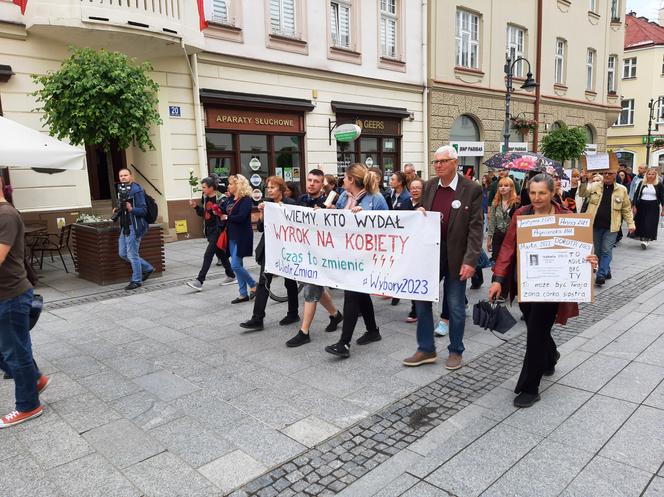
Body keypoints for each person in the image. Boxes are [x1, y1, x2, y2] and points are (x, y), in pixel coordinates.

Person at [489, 173, 598, 408]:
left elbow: (582, 248)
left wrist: (590, 258)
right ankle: (550, 356)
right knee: (533, 323)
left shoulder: (566, 216)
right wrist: (498, 279)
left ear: (552, 193)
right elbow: (507, 248)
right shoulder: (522, 214)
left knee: (536, 332)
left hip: (553, 287)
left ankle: (530, 387)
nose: (537, 197)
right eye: (532, 192)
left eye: (542, 193)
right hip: (527, 283)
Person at [402, 145, 483, 370]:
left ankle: (456, 350)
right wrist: (418, 212)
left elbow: (476, 229)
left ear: (455, 163)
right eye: (435, 162)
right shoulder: (429, 186)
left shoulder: (471, 189)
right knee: (422, 299)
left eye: (443, 161)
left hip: (457, 254)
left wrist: (470, 261)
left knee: (455, 304)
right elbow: (421, 213)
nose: (438, 165)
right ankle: (426, 348)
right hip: (431, 254)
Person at [0, 176, 50, 428]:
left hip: (10, 294)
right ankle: (36, 379)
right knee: (10, 348)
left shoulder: (6, 215)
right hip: (5, 294)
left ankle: (28, 405)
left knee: (14, 351)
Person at [325, 164, 389, 358]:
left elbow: (389, 224)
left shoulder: (375, 199)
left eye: (344, 177)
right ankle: (373, 331)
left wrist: (367, 217)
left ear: (352, 179)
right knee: (360, 294)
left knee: (352, 293)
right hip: (346, 254)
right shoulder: (344, 197)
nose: (342, 180)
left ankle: (344, 343)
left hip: (366, 256)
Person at [287, 170, 343, 347]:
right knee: (316, 287)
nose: (311, 183)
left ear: (322, 185)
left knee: (310, 290)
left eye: (316, 181)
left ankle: (304, 332)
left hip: (322, 255)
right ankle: (335, 315)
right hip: (305, 251)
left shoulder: (328, 202)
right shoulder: (301, 200)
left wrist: (329, 213)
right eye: (309, 180)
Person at [240, 177, 299, 330]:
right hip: (269, 249)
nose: (270, 190)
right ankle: (257, 318)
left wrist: (283, 211)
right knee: (263, 282)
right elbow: (260, 228)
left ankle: (293, 313)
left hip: (286, 249)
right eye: (268, 187)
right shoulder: (266, 203)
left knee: (290, 281)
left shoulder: (291, 203)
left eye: (273, 187)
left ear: (281, 189)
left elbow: (296, 224)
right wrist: (262, 213)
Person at [578, 170, 635, 285]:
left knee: (606, 250)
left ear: (615, 175)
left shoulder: (622, 189)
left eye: (610, 173)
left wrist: (630, 223)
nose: (607, 176)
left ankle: (601, 275)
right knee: (598, 251)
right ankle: (606, 270)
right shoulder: (594, 186)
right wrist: (583, 181)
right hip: (595, 225)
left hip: (612, 226)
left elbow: (626, 209)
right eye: (605, 174)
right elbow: (582, 193)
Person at [186, 177, 235, 291]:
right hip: (209, 229)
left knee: (208, 255)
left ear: (211, 188)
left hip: (217, 229)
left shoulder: (220, 198)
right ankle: (231, 275)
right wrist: (195, 207)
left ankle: (199, 281)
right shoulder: (205, 197)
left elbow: (225, 213)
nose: (202, 189)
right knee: (220, 254)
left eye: (204, 187)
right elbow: (204, 214)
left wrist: (219, 214)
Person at [113, 169, 154, 291]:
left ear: (131, 176)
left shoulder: (137, 190)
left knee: (132, 254)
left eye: (125, 175)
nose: (123, 177)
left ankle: (136, 280)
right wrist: (118, 209)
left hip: (134, 226)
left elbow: (143, 210)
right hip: (125, 225)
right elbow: (123, 207)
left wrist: (131, 209)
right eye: (121, 176)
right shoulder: (121, 189)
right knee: (123, 253)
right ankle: (147, 268)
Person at [224, 175, 257, 303]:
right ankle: (243, 294)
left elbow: (241, 217)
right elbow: (224, 211)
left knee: (235, 265)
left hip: (242, 236)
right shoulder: (231, 199)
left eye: (231, 184)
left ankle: (254, 285)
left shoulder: (246, 200)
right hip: (231, 235)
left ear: (238, 185)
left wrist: (226, 217)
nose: (228, 186)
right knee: (239, 265)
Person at [487, 176, 519, 265]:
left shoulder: (516, 203)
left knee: (509, 263)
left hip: (511, 237)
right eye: (500, 186)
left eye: (506, 185)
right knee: (497, 263)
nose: (503, 188)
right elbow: (492, 221)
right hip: (498, 236)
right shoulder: (495, 203)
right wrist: (489, 238)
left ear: (511, 187)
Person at [406, 178, 425, 323]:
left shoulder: (427, 203)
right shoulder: (405, 203)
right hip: (407, 247)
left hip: (423, 248)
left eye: (418, 188)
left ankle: (417, 309)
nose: (415, 190)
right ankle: (416, 308)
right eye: (412, 188)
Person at [632, 168, 664, 249]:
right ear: (646, 175)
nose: (651, 176)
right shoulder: (642, 183)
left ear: (655, 175)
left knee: (649, 223)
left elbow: (662, 197)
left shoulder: (659, 184)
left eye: (653, 174)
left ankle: (646, 240)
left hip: (653, 206)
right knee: (641, 222)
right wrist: (634, 206)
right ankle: (643, 238)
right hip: (641, 205)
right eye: (649, 174)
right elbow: (636, 195)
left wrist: (663, 209)